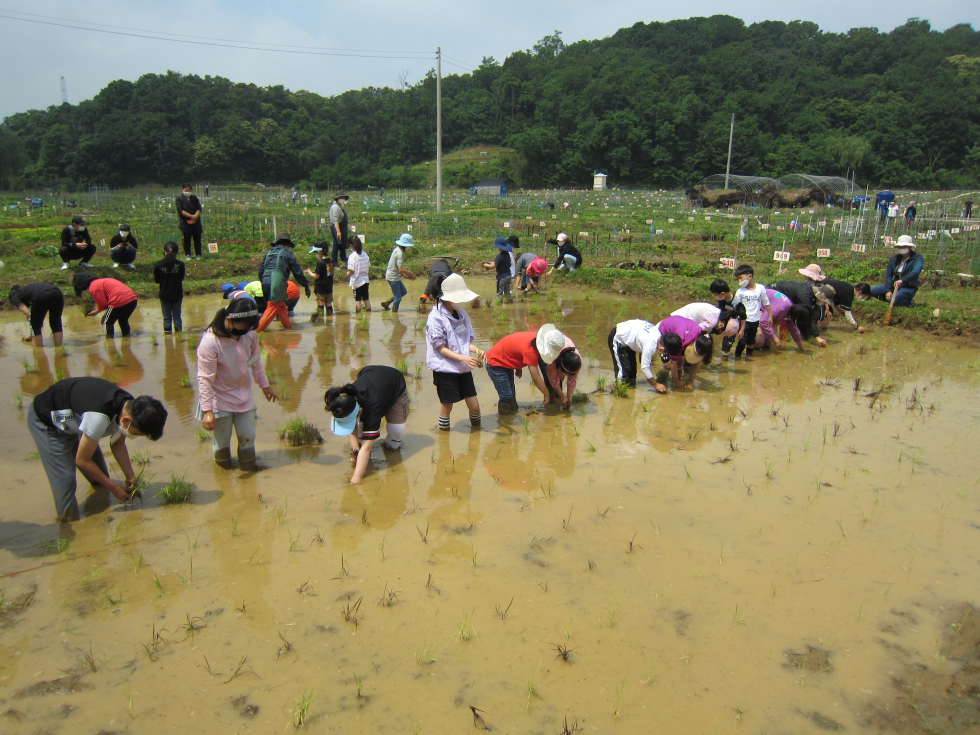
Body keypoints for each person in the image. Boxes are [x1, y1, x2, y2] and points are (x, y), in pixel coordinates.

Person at [28, 377, 167, 522]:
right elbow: (82, 460)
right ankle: (68, 524)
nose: (135, 436)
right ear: (126, 420)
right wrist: (113, 487)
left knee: (100, 477)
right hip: (48, 423)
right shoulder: (98, 418)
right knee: (66, 480)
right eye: (137, 433)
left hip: (75, 420)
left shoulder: (130, 406)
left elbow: (118, 444)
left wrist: (130, 475)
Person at [197, 297, 279, 472]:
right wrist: (207, 411)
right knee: (222, 441)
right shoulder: (211, 342)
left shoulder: (249, 334)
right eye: (243, 328)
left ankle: (249, 469)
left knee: (248, 436)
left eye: (250, 328)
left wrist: (265, 386)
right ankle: (224, 473)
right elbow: (205, 378)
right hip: (220, 399)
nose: (247, 332)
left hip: (244, 397)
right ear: (229, 320)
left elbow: (255, 362)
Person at [326, 365, 410, 484]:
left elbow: (367, 448)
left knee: (395, 436)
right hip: (370, 375)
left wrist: (356, 477)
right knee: (360, 439)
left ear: (360, 411)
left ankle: (390, 443)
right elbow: (351, 427)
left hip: (395, 385)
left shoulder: (372, 407)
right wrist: (355, 450)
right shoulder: (343, 402)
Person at [425, 274, 484, 431]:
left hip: (463, 366)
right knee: (447, 407)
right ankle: (444, 441)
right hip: (445, 368)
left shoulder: (462, 314)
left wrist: (477, 350)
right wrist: (463, 358)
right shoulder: (435, 317)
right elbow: (441, 348)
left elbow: (465, 341)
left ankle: (477, 432)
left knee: (474, 406)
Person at [484, 325, 567, 414]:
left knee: (511, 393)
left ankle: (512, 413)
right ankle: (504, 421)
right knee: (506, 396)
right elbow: (536, 377)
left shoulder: (533, 337)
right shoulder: (531, 351)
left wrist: (517, 366)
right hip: (495, 363)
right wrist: (546, 394)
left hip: (504, 361)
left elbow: (515, 346)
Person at [257, 233, 310, 331]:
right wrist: (305, 284)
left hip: (265, 281)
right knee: (272, 306)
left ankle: (288, 327)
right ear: (287, 244)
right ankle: (257, 331)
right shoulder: (288, 253)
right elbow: (297, 271)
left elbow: (260, 271)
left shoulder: (268, 253)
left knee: (281, 305)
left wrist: (264, 283)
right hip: (277, 283)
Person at [74, 272, 139, 338]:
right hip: (132, 299)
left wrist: (96, 312)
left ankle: (109, 341)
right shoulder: (102, 281)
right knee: (123, 320)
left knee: (107, 322)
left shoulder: (93, 287)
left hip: (119, 300)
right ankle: (127, 337)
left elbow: (103, 303)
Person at [656, 315, 713, 388]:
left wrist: (690, 381)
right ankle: (660, 382)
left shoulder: (702, 340)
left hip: (683, 329)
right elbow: (673, 362)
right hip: (666, 329)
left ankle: (675, 383)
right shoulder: (681, 341)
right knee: (668, 364)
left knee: (680, 363)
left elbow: (697, 361)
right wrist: (676, 381)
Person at [868, 234, 924, 307]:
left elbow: (915, 272)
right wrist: (888, 290)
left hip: (908, 286)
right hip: (894, 285)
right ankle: (892, 300)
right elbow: (889, 275)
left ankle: (906, 302)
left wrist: (902, 280)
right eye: (900, 247)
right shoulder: (894, 259)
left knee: (895, 300)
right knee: (871, 291)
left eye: (904, 246)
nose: (901, 248)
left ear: (909, 247)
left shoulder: (917, 258)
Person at [10, 282, 65, 347]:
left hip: (42, 295)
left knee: (35, 325)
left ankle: (39, 350)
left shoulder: (14, 297)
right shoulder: (29, 290)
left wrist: (34, 328)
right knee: (55, 321)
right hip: (57, 292)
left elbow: (29, 314)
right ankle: (59, 348)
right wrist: (31, 335)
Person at [540, 328, 581, 409]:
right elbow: (553, 379)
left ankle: (559, 400)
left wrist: (569, 397)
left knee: (559, 384)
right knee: (549, 382)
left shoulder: (576, 360)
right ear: (561, 367)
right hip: (545, 347)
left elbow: (572, 379)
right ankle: (551, 405)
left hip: (559, 348)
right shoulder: (552, 359)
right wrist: (562, 396)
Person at [153, 241, 185, 334]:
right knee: (177, 317)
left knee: (167, 318)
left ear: (164, 251)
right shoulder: (180, 265)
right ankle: (180, 340)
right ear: (177, 253)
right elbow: (181, 278)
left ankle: (168, 341)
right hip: (177, 294)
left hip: (164, 294)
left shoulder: (158, 264)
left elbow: (157, 280)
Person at [381, 233, 417, 312]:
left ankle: (387, 303)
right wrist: (411, 273)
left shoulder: (396, 249)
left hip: (393, 275)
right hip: (393, 277)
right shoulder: (400, 253)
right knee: (398, 297)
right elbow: (400, 269)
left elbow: (397, 267)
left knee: (403, 292)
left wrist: (404, 275)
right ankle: (394, 314)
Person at [306, 241, 334, 321]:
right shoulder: (330, 261)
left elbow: (316, 276)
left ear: (319, 252)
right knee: (329, 304)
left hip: (320, 288)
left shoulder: (320, 263)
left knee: (321, 304)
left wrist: (309, 272)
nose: (315, 254)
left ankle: (320, 322)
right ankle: (330, 322)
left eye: (315, 252)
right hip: (329, 288)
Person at [176, 184, 203, 260]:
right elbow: (181, 210)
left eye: (189, 190)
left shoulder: (194, 198)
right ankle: (187, 254)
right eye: (186, 190)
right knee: (187, 240)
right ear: (183, 189)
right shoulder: (180, 199)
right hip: (186, 222)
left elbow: (199, 209)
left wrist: (195, 217)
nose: (188, 192)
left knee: (197, 239)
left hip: (196, 222)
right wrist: (191, 216)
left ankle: (198, 254)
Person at [482, 236, 514, 303]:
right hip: (508, 276)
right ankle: (511, 302)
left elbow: (493, 266)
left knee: (499, 293)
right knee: (507, 292)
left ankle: (499, 306)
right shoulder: (507, 254)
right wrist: (489, 262)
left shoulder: (499, 256)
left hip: (501, 277)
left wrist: (485, 265)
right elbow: (496, 263)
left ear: (499, 247)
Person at [346, 235, 371, 312]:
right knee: (366, 299)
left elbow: (352, 271)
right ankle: (369, 314)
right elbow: (368, 266)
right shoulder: (365, 254)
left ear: (351, 245)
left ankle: (358, 318)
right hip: (365, 280)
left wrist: (348, 274)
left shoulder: (352, 256)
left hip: (357, 282)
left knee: (358, 300)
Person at [329, 191, 350, 264]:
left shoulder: (340, 206)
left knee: (342, 245)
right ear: (337, 198)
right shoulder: (335, 207)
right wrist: (338, 231)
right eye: (341, 197)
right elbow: (335, 220)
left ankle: (344, 260)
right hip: (338, 228)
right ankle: (334, 262)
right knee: (336, 245)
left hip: (342, 228)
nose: (343, 199)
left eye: (343, 197)